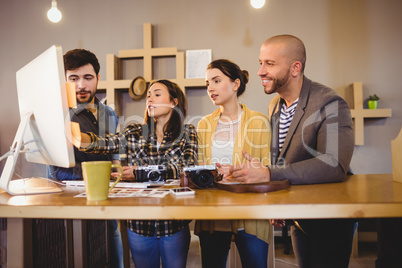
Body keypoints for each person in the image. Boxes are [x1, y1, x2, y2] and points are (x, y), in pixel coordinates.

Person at [227, 35, 356, 268]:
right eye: (260, 62)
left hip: (330, 220)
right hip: (300, 218)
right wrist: (277, 197)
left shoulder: (330, 103)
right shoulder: (275, 105)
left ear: (295, 68)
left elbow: (334, 165)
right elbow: (285, 158)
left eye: (270, 63)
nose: (260, 71)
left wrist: (269, 174)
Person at [73, 79, 198, 268]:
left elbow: (186, 168)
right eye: (148, 96)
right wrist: (75, 136)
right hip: (139, 223)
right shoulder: (135, 131)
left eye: (157, 94)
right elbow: (106, 143)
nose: (150, 99)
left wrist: (140, 173)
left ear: (174, 102)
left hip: (175, 222)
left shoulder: (188, 132)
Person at [48, 49, 124, 268]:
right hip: (67, 200)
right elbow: (55, 169)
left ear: (98, 79)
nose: (81, 85)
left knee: (111, 242)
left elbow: (114, 150)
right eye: (73, 78)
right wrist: (97, 174)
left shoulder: (108, 113)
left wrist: (116, 165)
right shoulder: (58, 114)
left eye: (88, 77)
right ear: (64, 81)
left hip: (104, 198)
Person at [196, 59, 271, 268]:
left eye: (216, 80)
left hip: (251, 211)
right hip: (212, 211)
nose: (210, 87)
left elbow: (267, 168)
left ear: (236, 84)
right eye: (207, 83)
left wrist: (239, 172)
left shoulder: (259, 122)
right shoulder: (204, 124)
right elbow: (201, 166)